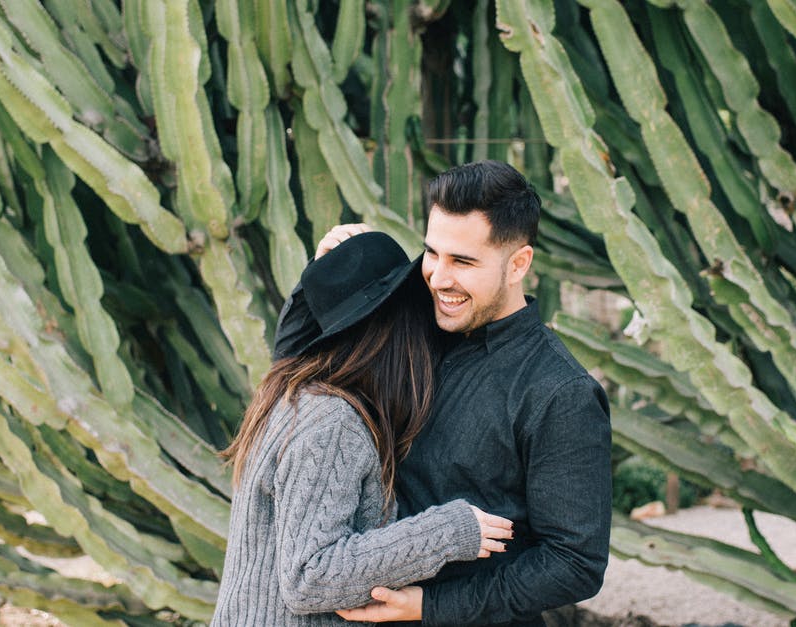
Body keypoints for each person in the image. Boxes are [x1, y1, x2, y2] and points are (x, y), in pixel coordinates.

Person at [319, 161, 613, 626]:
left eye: (463, 261)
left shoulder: (560, 393)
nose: (438, 277)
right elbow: (302, 376)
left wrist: (430, 607)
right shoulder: (413, 325)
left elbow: (575, 563)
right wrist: (321, 281)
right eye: (432, 253)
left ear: (518, 264)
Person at [212, 231, 514, 626]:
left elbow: (291, 347)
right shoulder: (333, 422)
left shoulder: (292, 392)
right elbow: (309, 576)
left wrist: (321, 280)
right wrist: (448, 532)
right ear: (395, 328)